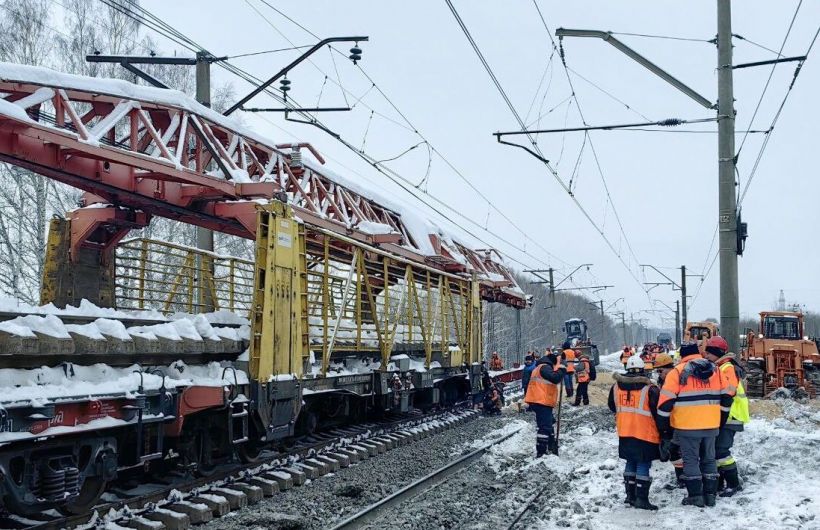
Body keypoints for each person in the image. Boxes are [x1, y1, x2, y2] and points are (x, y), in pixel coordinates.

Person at [657, 341, 733, 507]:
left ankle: (695, 496)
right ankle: (710, 496)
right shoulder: (716, 370)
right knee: (709, 459)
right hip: (711, 425)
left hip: (687, 427)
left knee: (690, 460)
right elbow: (728, 397)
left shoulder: (677, 372)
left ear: (682, 356)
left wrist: (664, 430)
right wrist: (720, 420)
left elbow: (664, 405)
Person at [608, 356, 662, 510]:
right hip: (645, 432)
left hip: (625, 431)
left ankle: (630, 496)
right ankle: (641, 499)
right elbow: (658, 412)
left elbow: (612, 406)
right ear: (643, 369)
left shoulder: (616, 387)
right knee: (643, 463)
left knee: (630, 461)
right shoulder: (650, 388)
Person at [703, 336, 749, 497]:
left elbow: (728, 392)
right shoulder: (721, 367)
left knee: (721, 451)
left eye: (709, 353)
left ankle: (733, 484)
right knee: (717, 451)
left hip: (731, 416)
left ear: (717, 353)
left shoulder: (726, 368)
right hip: (726, 416)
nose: (706, 356)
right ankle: (720, 484)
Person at [524, 352, 565, 457]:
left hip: (540, 400)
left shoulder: (540, 367)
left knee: (549, 422)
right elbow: (555, 378)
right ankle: (541, 452)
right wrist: (562, 369)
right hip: (541, 401)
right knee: (545, 427)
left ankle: (551, 445)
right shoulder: (545, 367)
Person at [654, 353, 685, 491]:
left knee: (676, 451)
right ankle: (682, 478)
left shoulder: (675, 379)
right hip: (672, 421)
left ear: (668, 369)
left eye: (660, 371)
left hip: (680, 421)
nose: (659, 374)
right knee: (675, 452)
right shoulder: (664, 381)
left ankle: (684, 478)